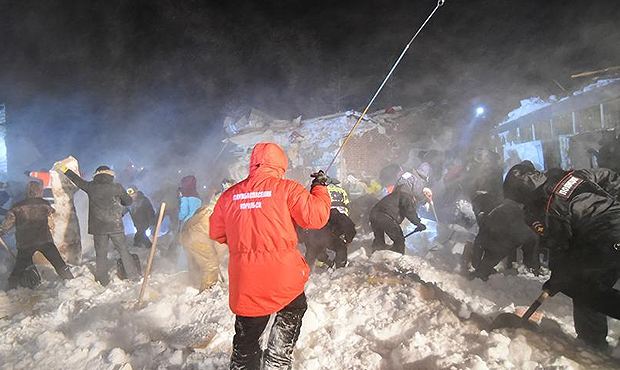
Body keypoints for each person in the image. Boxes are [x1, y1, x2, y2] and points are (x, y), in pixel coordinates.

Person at [209, 142, 331, 369]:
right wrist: (320, 187)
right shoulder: (287, 189)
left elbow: (217, 233)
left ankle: (244, 364)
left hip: (246, 281)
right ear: (280, 164)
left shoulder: (229, 196)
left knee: (246, 336)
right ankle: (278, 358)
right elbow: (316, 217)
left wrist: (243, 240)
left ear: (252, 164)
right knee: (293, 308)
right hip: (283, 276)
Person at [504, 161, 620, 350]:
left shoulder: (548, 208)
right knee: (589, 281)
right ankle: (592, 342)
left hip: (605, 240)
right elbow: (609, 176)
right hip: (609, 234)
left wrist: (557, 279)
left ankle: (592, 345)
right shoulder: (571, 175)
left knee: (582, 289)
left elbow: (561, 247)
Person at [57, 164, 139, 285]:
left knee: (101, 254)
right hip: (115, 226)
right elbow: (128, 202)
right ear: (110, 175)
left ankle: (102, 280)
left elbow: (77, 180)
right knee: (123, 250)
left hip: (99, 227)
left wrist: (64, 169)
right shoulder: (116, 187)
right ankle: (133, 276)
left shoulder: (91, 187)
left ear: (96, 175)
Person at [0, 181, 74, 289]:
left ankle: (11, 288)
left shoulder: (16, 207)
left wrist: (1, 231)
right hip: (44, 240)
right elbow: (51, 211)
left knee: (19, 267)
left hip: (25, 243)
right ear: (39, 191)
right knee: (58, 263)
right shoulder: (44, 204)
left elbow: (8, 224)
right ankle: (70, 281)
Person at [467, 191, 540, 280]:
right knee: (488, 257)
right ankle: (482, 271)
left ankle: (480, 273)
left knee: (488, 259)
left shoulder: (492, 213)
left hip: (504, 237)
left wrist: (477, 262)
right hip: (512, 234)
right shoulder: (504, 207)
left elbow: (481, 238)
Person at [369, 179, 426, 254]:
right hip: (386, 217)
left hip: (374, 215)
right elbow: (409, 212)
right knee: (399, 241)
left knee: (379, 239)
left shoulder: (395, 195)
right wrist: (418, 224)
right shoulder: (406, 196)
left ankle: (375, 255)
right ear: (415, 197)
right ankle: (396, 259)